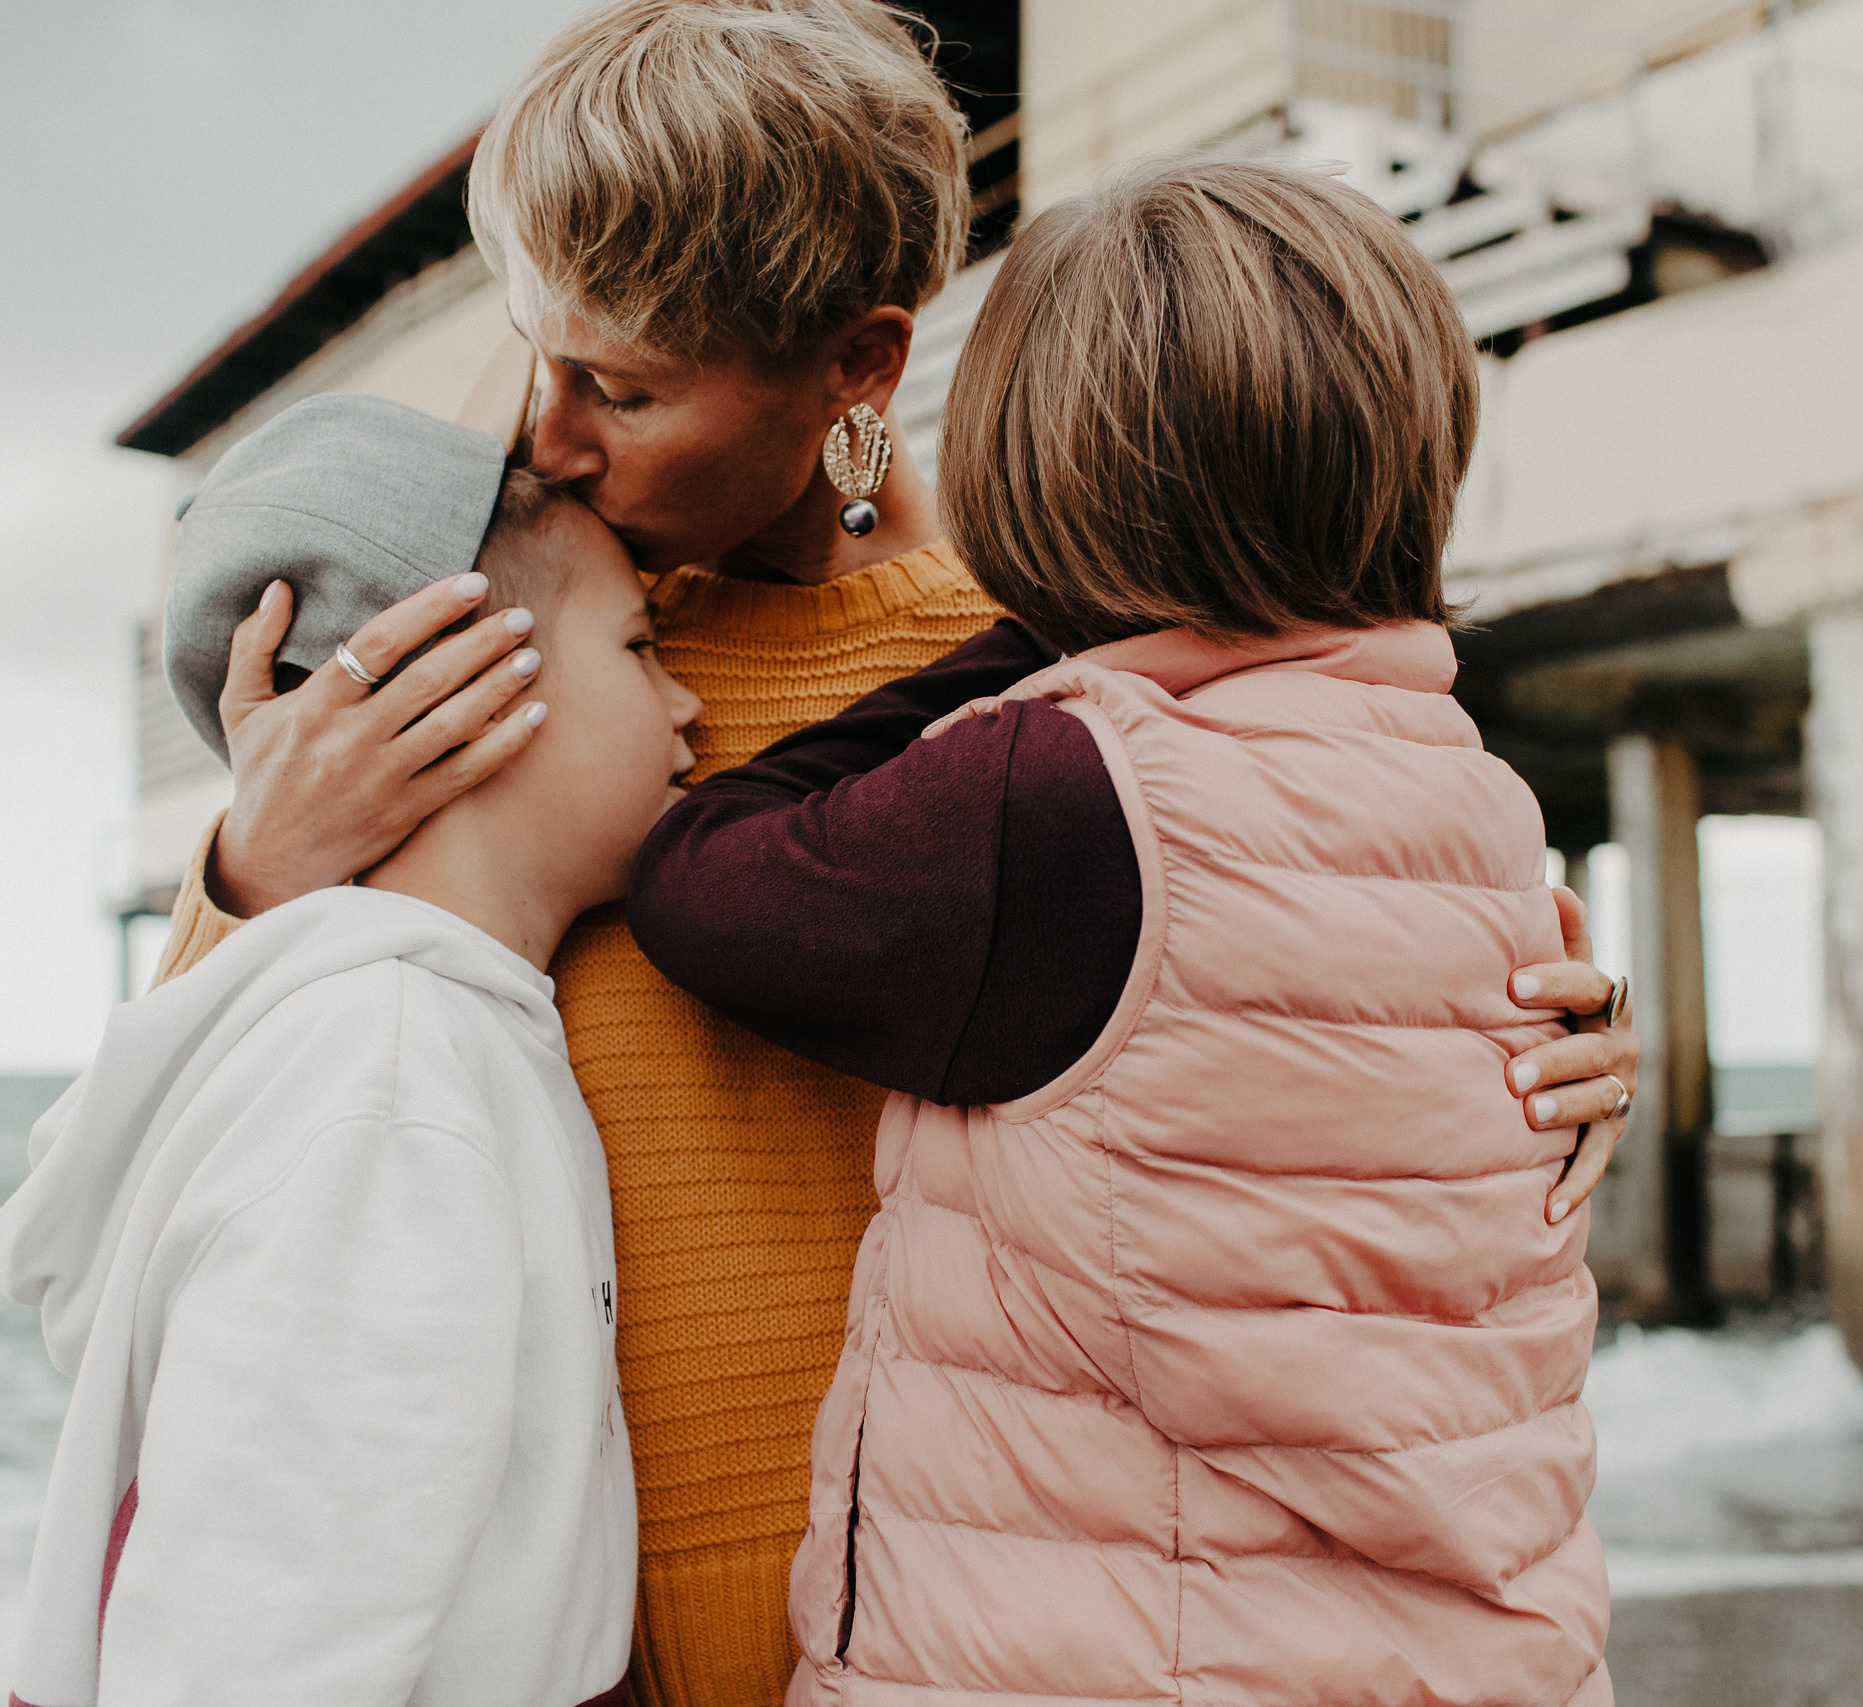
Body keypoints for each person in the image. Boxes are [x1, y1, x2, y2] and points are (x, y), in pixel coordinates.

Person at [146, 4, 1639, 1702]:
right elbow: (215, 1151)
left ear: (862, 364)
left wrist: (1560, 1037)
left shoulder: (1085, 681)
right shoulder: (517, 650)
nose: (547, 440)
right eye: (535, 352)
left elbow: (1317, 1020)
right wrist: (256, 867)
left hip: (957, 1620)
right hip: (551, 1627)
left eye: (620, 384)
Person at [632, 159, 1612, 1704]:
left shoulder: (1062, 800)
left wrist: (1036, 630)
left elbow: (703, 873)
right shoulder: (1471, 796)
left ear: (1045, 485)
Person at [0, 392, 700, 1707]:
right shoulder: (393, 1085)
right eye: (642, 646)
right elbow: (252, 1660)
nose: (690, 703)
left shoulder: (379, 1032)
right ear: (464, 684)